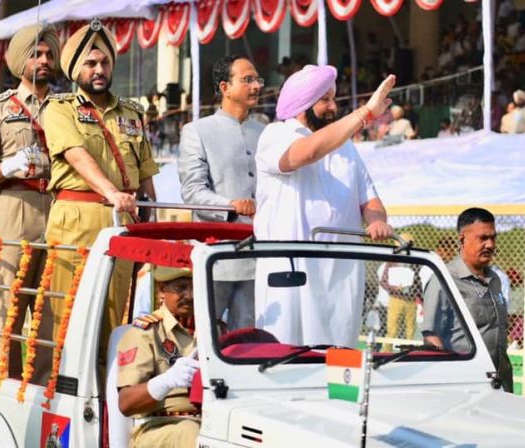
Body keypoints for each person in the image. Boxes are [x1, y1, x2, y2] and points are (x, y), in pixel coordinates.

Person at [43, 20, 159, 374]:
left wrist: (150, 219)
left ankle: (107, 396)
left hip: (121, 222)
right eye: (91, 64)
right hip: (76, 219)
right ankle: (65, 391)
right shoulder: (59, 108)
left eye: (105, 63)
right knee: (69, 315)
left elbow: (145, 172)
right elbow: (76, 154)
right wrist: (110, 192)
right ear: (76, 68)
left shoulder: (132, 113)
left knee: (114, 314)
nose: (99, 70)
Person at [253, 65, 395, 347]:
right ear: (303, 105)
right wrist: (364, 114)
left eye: (334, 99)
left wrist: (377, 220)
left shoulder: (347, 148)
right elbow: (307, 153)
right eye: (325, 100)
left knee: (338, 363)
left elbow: (370, 200)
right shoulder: (275, 134)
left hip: (340, 277)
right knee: (285, 358)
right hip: (291, 275)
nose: (333, 107)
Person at [0, 24, 59, 382]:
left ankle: (42, 390)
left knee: (52, 309)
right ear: (21, 59)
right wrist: (9, 165)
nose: (43, 61)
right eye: (36, 54)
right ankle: (6, 387)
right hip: (15, 209)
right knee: (8, 307)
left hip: (57, 209)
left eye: (50, 54)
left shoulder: (66, 109)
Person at [177, 55, 263, 330]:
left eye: (257, 80)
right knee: (204, 335)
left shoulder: (266, 132)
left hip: (260, 255)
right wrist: (229, 205)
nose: (256, 86)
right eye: (247, 80)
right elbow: (192, 191)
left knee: (249, 339)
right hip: (216, 254)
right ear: (225, 87)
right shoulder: (197, 131)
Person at [421, 208, 513, 392]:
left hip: (498, 382)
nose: (490, 245)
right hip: (463, 384)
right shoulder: (444, 280)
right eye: (483, 238)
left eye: (493, 238)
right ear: (462, 239)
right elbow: (431, 336)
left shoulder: (494, 279)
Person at [117, 267, 199, 447]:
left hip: (210, 423)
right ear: (162, 290)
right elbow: (126, 403)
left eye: (194, 287)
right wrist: (166, 381)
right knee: (190, 431)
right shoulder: (145, 333)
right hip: (158, 427)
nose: (190, 295)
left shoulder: (214, 330)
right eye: (181, 288)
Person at [379, 233, 422, 351]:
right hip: (396, 298)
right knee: (392, 329)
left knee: (410, 330)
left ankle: (407, 352)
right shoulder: (392, 261)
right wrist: (394, 288)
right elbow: (383, 281)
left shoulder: (415, 263)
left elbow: (418, 282)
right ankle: (387, 351)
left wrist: (419, 298)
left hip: (410, 300)